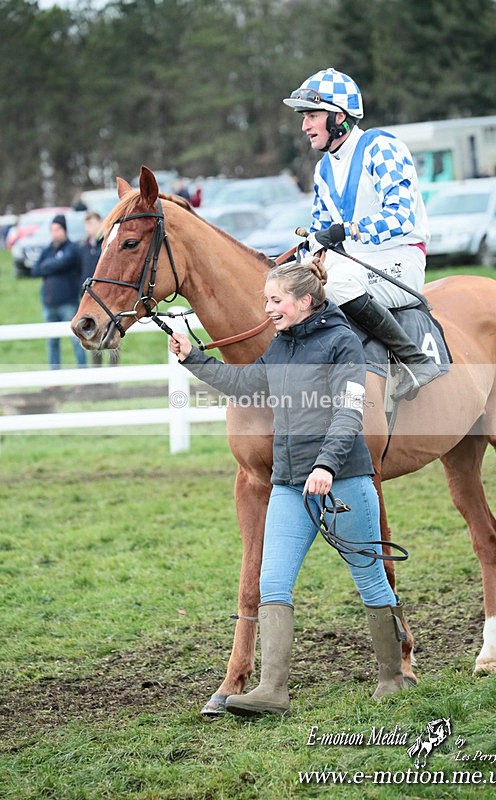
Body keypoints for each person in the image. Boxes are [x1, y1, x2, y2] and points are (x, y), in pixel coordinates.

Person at [169, 261, 411, 716]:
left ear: (304, 301)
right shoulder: (281, 346)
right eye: (266, 300)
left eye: (276, 301)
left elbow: (348, 413)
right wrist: (193, 357)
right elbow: (245, 383)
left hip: (345, 480)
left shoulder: (343, 344)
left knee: (369, 578)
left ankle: (391, 676)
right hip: (289, 485)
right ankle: (272, 690)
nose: (268, 309)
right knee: (273, 580)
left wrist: (326, 464)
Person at [283, 67, 440, 402]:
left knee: (336, 286)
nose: (304, 126)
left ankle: (415, 360)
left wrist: (347, 230)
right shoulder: (323, 169)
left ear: (338, 117)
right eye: (304, 117)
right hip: (356, 264)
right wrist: (300, 257)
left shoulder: (381, 146)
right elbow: (319, 230)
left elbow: (400, 216)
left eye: (311, 115)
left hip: (400, 258)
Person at [32, 214, 86, 370]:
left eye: (58, 229)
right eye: (52, 230)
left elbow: (64, 262)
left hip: (68, 303)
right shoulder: (48, 249)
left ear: (64, 230)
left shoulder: (72, 248)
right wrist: (52, 265)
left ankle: (83, 375)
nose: (55, 233)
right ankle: (54, 377)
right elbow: (35, 270)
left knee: (77, 340)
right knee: (52, 342)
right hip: (48, 304)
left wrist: (47, 266)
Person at [79, 211, 120, 366]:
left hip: (107, 298)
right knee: (92, 335)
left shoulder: (108, 244)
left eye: (92, 223)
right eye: (87, 224)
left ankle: (112, 375)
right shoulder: (83, 247)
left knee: (112, 335)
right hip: (89, 297)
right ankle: (97, 376)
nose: (89, 228)